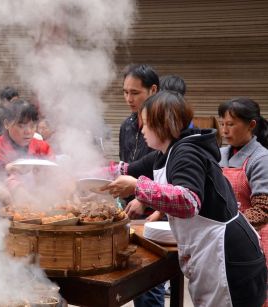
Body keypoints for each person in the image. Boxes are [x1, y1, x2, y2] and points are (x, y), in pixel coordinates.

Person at [104, 91, 267, 306]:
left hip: (227, 254)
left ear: (164, 124)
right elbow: (124, 169)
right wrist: (79, 172)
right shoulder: (165, 152)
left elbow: (189, 201)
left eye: (146, 124)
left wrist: (137, 187)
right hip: (210, 251)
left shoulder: (186, 152)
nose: (142, 130)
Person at [119, 64, 164, 307]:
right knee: (134, 277)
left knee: (150, 283)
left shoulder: (164, 125)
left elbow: (166, 174)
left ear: (153, 90)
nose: (129, 99)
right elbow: (126, 166)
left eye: (135, 93)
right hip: (130, 214)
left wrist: (144, 198)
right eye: (125, 92)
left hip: (158, 215)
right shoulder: (126, 125)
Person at [218, 98, 268, 262]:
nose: (224, 130)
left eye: (231, 124)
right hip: (221, 237)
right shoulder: (219, 154)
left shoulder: (261, 159)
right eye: (222, 123)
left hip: (252, 240)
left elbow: (263, 210)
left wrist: (227, 228)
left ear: (251, 125)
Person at [0, 99, 52, 170]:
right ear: (6, 124)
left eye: (32, 126)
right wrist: (4, 170)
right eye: (21, 126)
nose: (28, 131)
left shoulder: (43, 147)